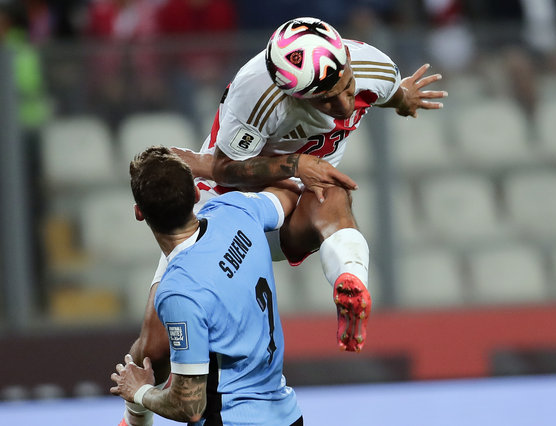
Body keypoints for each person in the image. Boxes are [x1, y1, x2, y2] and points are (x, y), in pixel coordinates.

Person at [119, 16, 446, 424]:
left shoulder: (373, 67)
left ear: (347, 60)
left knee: (332, 190)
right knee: (153, 347)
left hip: (282, 200)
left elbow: (390, 95)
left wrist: (404, 100)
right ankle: (135, 417)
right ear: (290, 93)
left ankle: (351, 278)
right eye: (325, 101)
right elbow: (225, 171)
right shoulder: (254, 95)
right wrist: (296, 163)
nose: (344, 107)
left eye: (346, 87)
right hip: (227, 210)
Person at [110, 146, 303, 426]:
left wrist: (139, 391)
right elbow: (290, 193)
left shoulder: (179, 291)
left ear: (139, 213)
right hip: (288, 415)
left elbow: (190, 406)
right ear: (197, 194)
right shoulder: (236, 210)